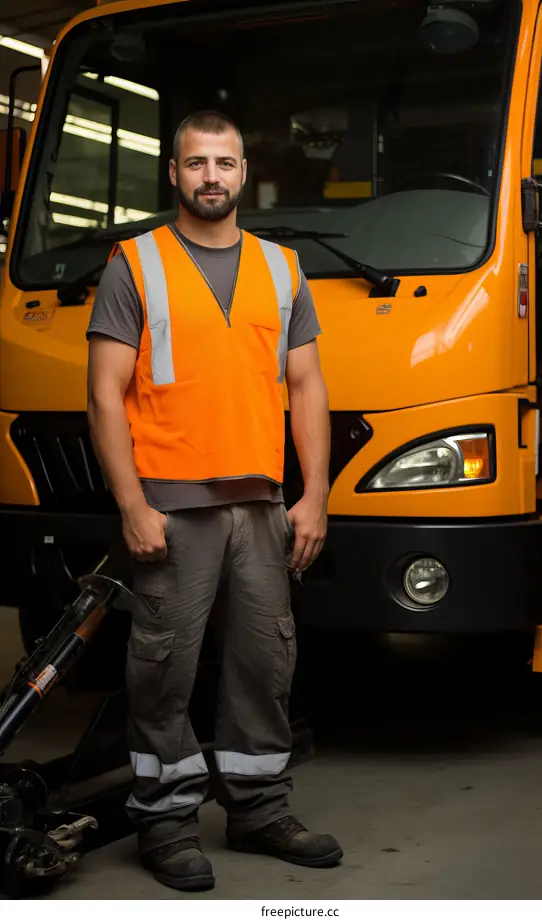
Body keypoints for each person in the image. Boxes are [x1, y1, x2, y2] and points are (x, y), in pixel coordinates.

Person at [86, 110, 342, 891]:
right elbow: (104, 395)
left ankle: (260, 810)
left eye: (225, 163)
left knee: (265, 663)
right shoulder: (135, 263)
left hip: (262, 506)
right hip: (170, 504)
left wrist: (316, 495)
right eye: (196, 163)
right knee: (163, 669)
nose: (211, 177)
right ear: (173, 173)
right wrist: (131, 503)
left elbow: (306, 387)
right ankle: (164, 822)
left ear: (242, 172)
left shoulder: (281, 267)